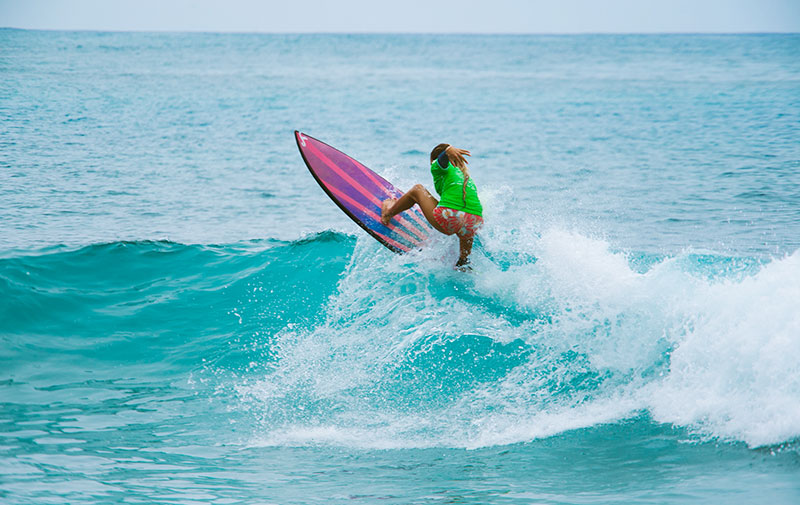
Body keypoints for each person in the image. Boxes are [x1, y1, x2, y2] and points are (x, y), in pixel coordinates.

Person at [381, 144, 483, 268]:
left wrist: (447, 151)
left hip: (451, 216)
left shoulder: (438, 167)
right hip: (476, 221)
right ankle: (463, 260)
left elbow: (442, 161)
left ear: (432, 160)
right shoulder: (464, 175)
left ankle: (388, 213)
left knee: (417, 189)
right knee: (466, 217)